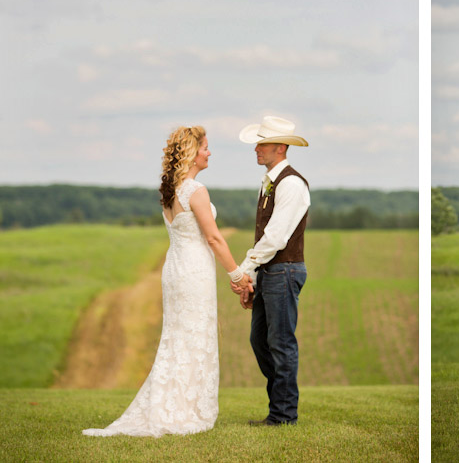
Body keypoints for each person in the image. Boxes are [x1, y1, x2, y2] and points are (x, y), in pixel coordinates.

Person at [83, 126, 253, 437]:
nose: (209, 152)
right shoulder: (195, 190)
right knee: (194, 335)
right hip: (193, 270)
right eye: (205, 147)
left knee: (178, 336)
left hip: (175, 269)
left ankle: (175, 405)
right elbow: (214, 238)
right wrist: (237, 275)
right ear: (192, 152)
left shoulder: (170, 190)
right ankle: (186, 409)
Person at [231, 116, 310, 427]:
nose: (256, 149)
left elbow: (275, 238)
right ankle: (279, 407)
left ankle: (283, 415)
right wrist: (255, 275)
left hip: (285, 271)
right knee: (260, 341)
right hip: (272, 273)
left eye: (261, 144)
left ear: (280, 147)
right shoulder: (271, 183)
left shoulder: (291, 183)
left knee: (280, 343)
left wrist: (244, 269)